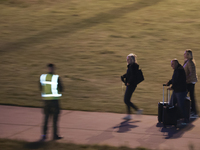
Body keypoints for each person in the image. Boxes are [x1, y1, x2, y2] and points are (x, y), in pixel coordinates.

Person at [40, 63, 63, 140]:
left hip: (46, 101)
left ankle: (44, 135)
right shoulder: (56, 78)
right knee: (55, 120)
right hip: (54, 101)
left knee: (46, 118)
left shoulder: (43, 77)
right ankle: (55, 135)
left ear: (47, 68)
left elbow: (40, 87)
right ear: (53, 68)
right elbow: (61, 88)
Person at [121, 53, 143, 120]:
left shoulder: (133, 66)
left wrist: (128, 82)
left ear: (132, 60)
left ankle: (137, 110)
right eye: (127, 59)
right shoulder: (132, 66)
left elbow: (133, 76)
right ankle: (130, 114)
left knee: (126, 100)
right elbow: (129, 74)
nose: (127, 60)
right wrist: (123, 76)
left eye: (129, 59)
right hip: (131, 85)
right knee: (127, 100)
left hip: (131, 85)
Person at [166, 59, 188, 124]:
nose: (171, 66)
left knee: (180, 106)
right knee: (171, 104)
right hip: (177, 91)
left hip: (180, 91)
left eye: (172, 64)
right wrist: (169, 82)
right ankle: (172, 118)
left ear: (175, 63)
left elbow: (178, 81)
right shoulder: (177, 69)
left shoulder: (180, 70)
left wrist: (172, 87)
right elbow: (174, 79)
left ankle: (184, 119)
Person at [183, 49, 198, 118]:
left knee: (185, 95)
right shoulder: (187, 61)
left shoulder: (190, 62)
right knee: (190, 96)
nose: (184, 54)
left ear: (188, 55)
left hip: (190, 82)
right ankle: (192, 111)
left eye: (185, 53)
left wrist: (186, 79)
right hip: (189, 81)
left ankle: (193, 112)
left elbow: (192, 73)